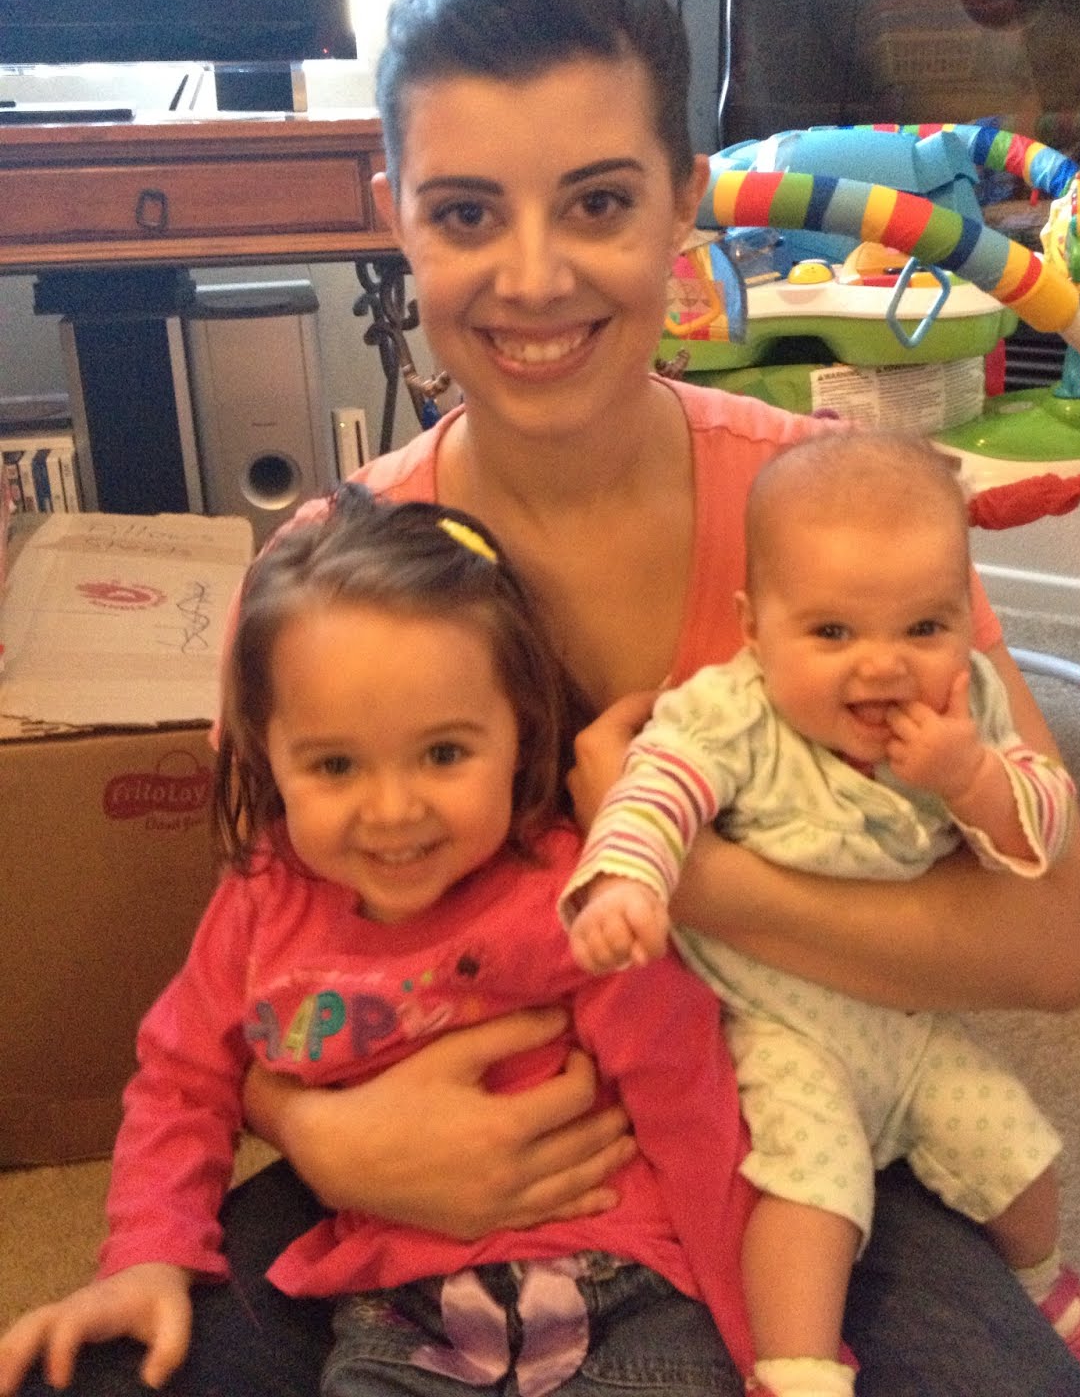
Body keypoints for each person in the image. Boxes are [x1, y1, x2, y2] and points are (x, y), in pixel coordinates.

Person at [8, 0, 1080, 1397]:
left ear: (681, 202)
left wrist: (681, 874)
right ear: (392, 208)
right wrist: (323, 1128)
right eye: (467, 213)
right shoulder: (325, 581)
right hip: (410, 1174)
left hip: (800, 1136)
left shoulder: (839, 521)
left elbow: (1052, 945)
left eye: (597, 202)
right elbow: (261, 963)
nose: (532, 278)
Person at [0, 490, 754, 1397]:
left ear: (520, 734)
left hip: (627, 1284)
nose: (393, 811)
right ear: (266, 753)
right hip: (403, 1315)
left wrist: (770, 1351)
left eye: (443, 754)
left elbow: (691, 1103)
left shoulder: (571, 893)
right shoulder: (262, 902)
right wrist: (144, 1258)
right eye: (335, 765)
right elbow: (182, 1080)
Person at [562, 431, 1080, 1397]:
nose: (882, 668)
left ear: (963, 623)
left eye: (923, 628)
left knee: (1021, 1151)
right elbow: (654, 787)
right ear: (755, 629)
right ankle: (795, 1371)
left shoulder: (969, 707)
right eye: (832, 633)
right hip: (782, 1029)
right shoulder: (733, 712)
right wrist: (628, 882)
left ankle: (1042, 1285)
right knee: (811, 1193)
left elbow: (1046, 830)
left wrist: (972, 777)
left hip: (904, 1019)